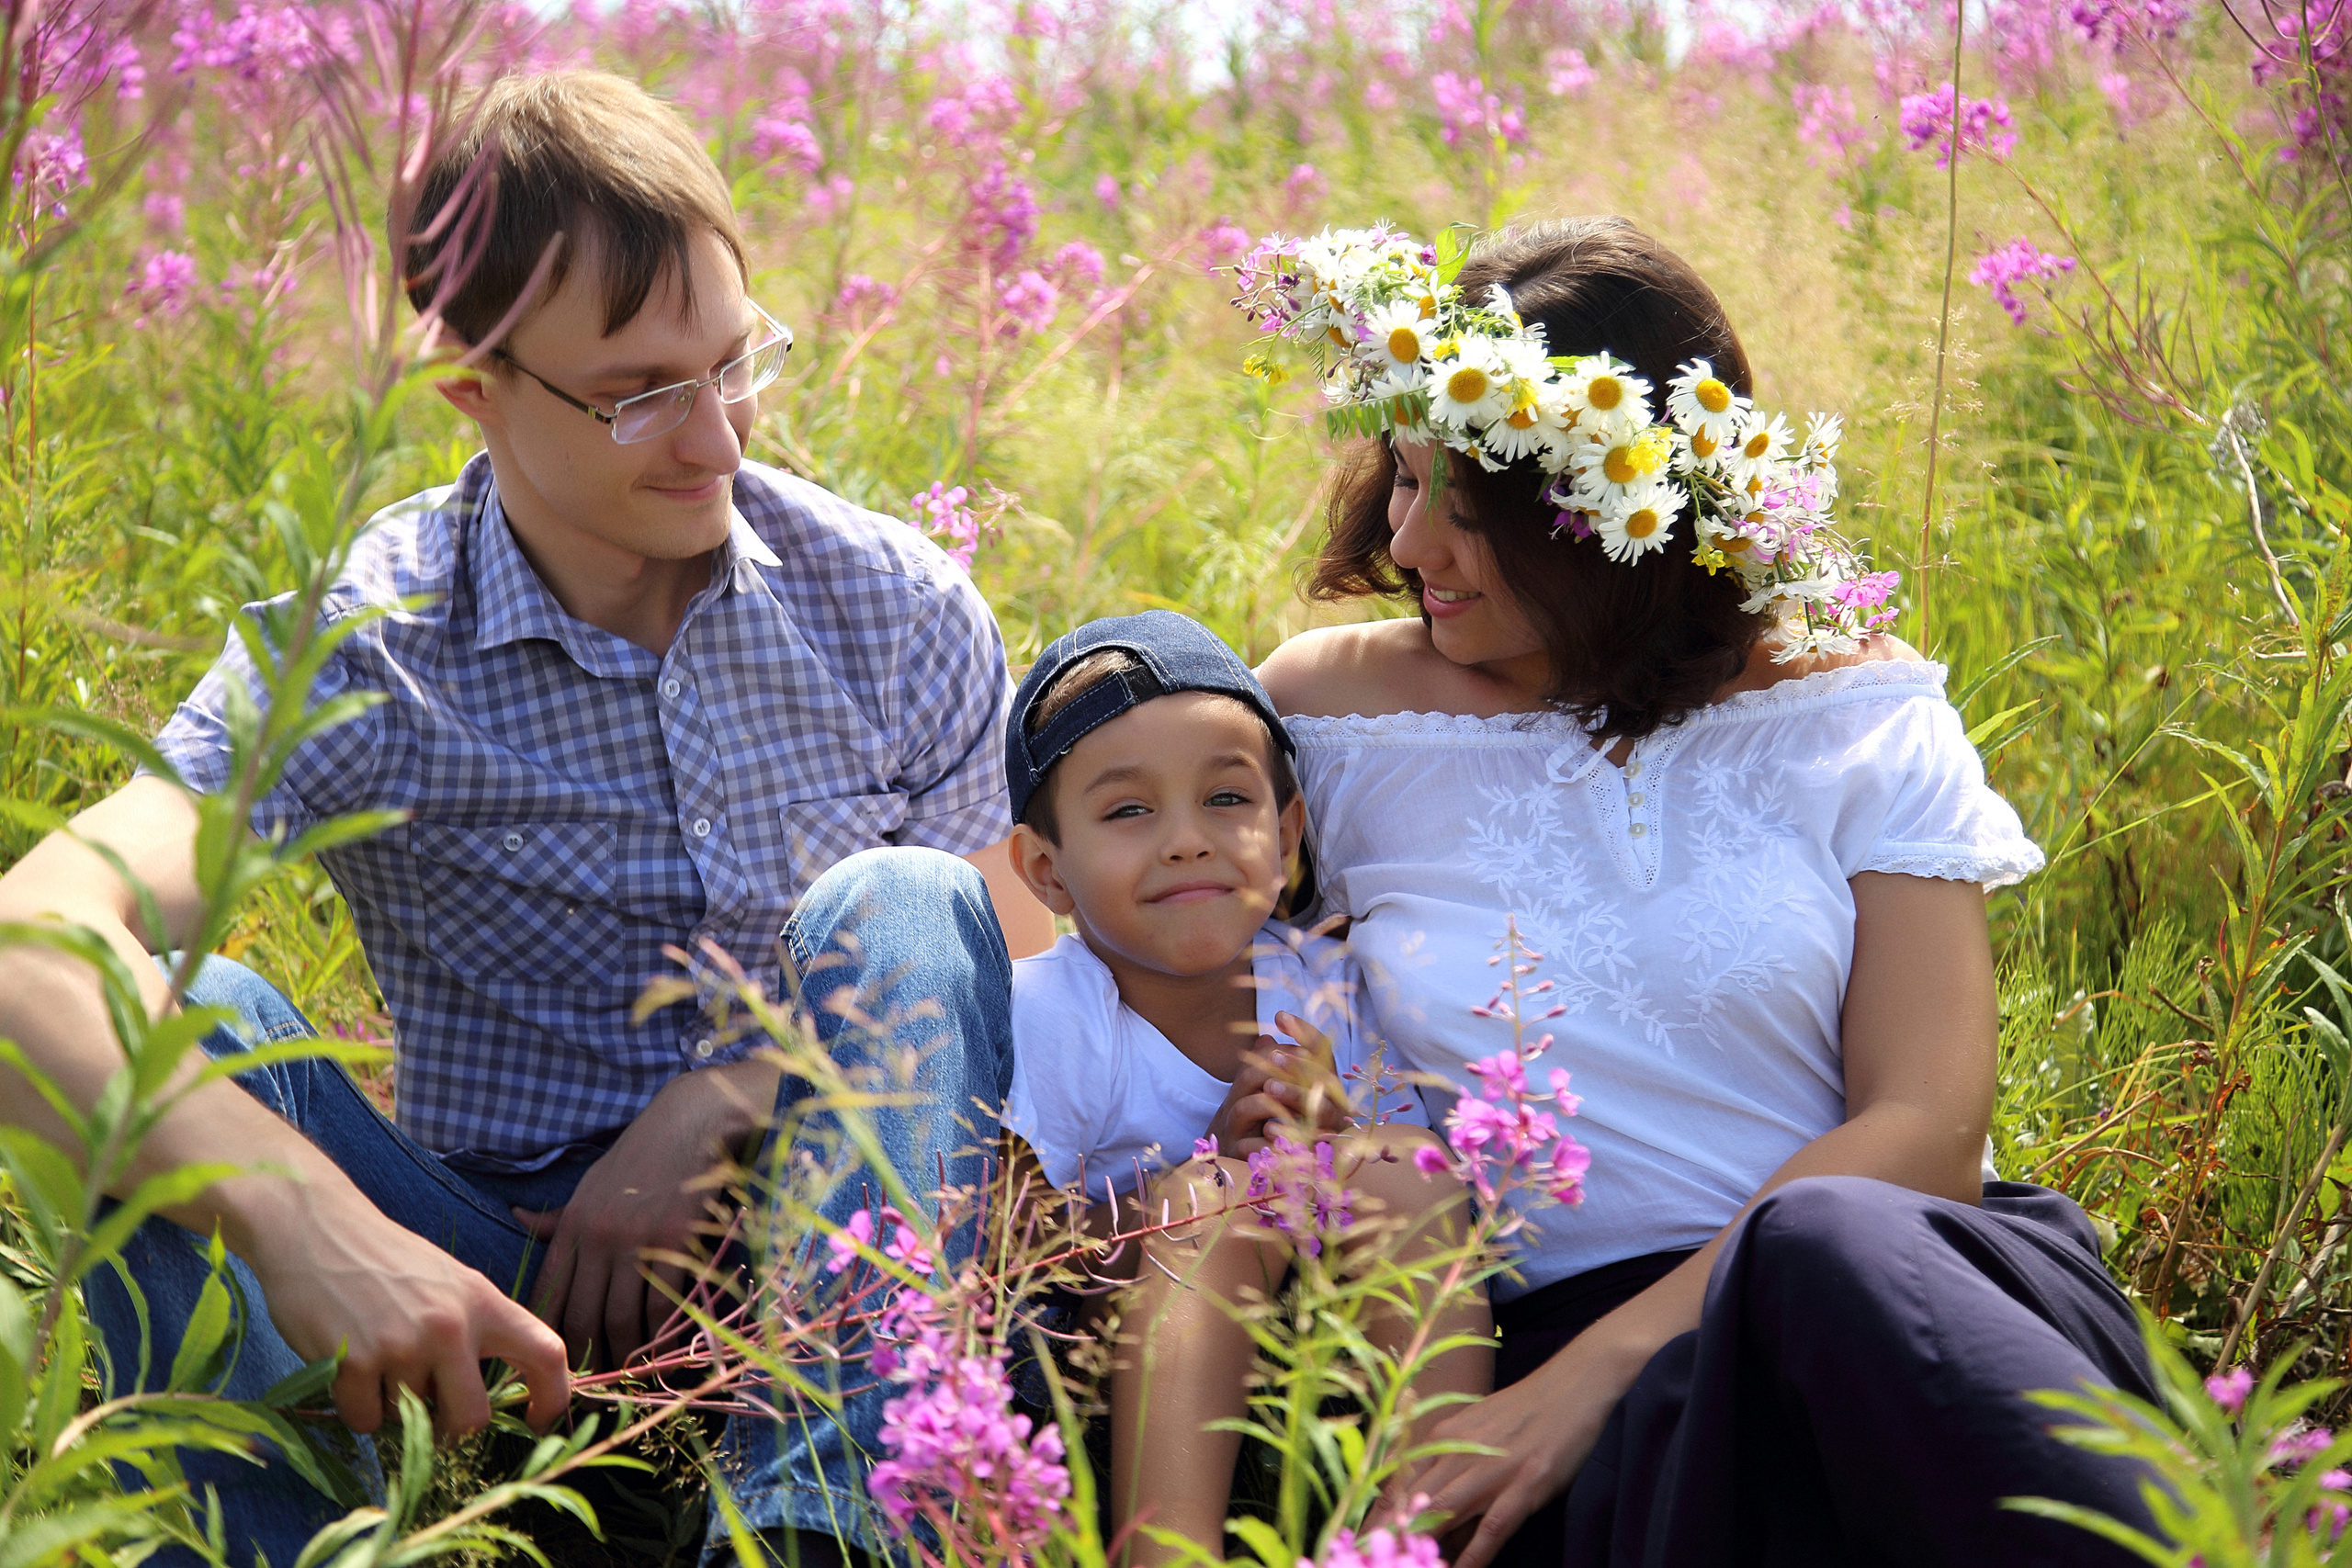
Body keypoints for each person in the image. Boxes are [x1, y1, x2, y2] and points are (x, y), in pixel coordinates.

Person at [0, 71, 1051, 1565]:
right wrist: (306, 1217)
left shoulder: (885, 606)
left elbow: (1007, 930)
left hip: (819, 1293)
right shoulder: (370, 641)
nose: (718, 442)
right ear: (472, 387)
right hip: (488, 1301)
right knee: (201, 1015)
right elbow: (30, 949)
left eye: (736, 362)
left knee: (902, 899)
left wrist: (731, 1088)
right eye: (637, 394)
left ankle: (823, 1527)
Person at [1247, 218, 2159, 1567]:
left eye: (1470, 506)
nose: (1414, 538)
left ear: (1610, 511)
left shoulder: (1852, 697)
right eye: (1405, 479)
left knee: (1819, 1239)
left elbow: (1928, 1125)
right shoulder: (1328, 713)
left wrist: (1589, 1375)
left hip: (1895, 1302)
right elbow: (1155, 940)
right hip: (1578, 1373)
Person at [998, 611, 1490, 1566]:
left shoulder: (1327, 985)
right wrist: (1199, 1179)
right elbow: (1014, 1247)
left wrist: (1335, 1133)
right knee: (1215, 1196)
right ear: (1045, 872)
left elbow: (1427, 1205)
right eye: (1129, 811)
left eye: (1227, 799)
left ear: (1289, 831)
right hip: (1123, 1342)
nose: (1187, 842)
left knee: (1396, 1164)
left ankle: (1423, 1527)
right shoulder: (1058, 1011)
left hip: (1323, 1337)